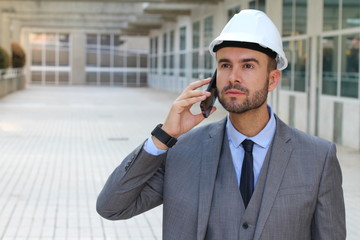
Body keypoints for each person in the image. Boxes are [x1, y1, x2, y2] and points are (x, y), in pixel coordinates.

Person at [97, 9, 346, 240]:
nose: (233, 77)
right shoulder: (182, 151)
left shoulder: (317, 157)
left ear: (272, 80)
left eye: (248, 65)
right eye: (225, 65)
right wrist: (164, 136)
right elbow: (112, 207)